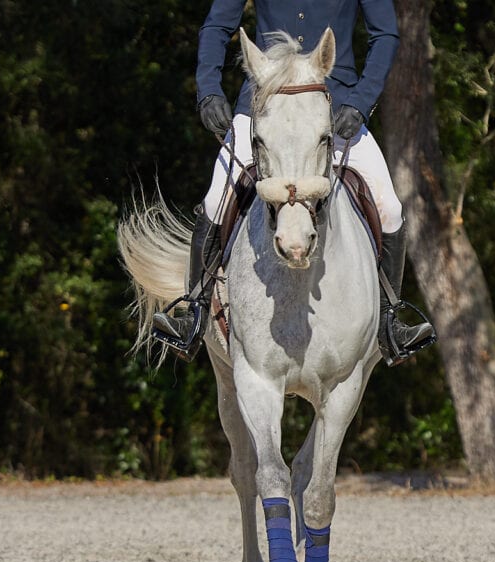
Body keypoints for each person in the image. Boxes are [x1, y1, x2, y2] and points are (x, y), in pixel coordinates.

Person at [152, 0, 434, 364]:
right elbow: (217, 26)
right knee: (215, 200)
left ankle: (390, 321)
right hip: (265, 105)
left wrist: (362, 102)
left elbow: (386, 35)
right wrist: (208, 90)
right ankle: (193, 313)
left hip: (336, 105)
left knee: (390, 207)